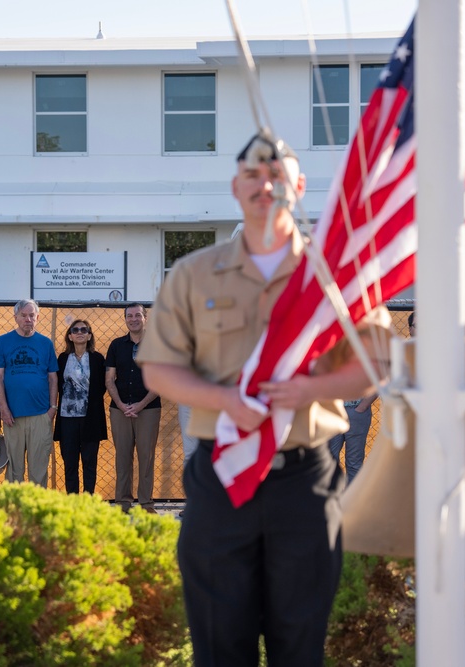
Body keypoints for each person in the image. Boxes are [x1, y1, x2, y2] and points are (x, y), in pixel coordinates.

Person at [138, 133, 383, 667]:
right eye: (252, 173)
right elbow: (158, 367)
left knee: (300, 646)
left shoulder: (336, 274)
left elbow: (376, 364)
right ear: (235, 186)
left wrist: (310, 391)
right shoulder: (193, 274)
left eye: (276, 173)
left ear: (298, 186)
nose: (263, 183)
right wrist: (224, 398)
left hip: (305, 481)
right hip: (221, 479)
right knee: (220, 645)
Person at [0, 299, 59, 486]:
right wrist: (4, 409)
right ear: (16, 318)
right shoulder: (3, 341)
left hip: (41, 414)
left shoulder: (45, 343)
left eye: (32, 315)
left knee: (38, 468)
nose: (28, 319)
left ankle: (36, 511)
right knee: (14, 468)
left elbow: (53, 378)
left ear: (37, 317)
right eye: (23, 315)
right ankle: (14, 511)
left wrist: (52, 409)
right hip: (12, 415)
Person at [105, 303, 161, 512]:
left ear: (145, 318)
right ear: (125, 319)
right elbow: (110, 379)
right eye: (130, 316)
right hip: (120, 410)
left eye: (138, 315)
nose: (133, 319)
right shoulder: (116, 345)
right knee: (123, 457)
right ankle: (123, 503)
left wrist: (140, 404)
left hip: (149, 409)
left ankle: (146, 503)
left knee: (146, 457)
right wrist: (120, 404)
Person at [54, 319, 107, 494]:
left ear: (89, 335)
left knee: (89, 462)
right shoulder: (62, 359)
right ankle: (73, 501)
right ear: (69, 336)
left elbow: (102, 386)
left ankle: (88, 500)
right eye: (75, 330)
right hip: (67, 419)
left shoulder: (98, 359)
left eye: (84, 330)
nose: (79, 332)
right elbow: (56, 384)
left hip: (90, 418)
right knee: (70, 463)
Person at [327, 394, 376, 484]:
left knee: (354, 462)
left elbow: (380, 382)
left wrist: (362, 406)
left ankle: (353, 496)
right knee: (329, 458)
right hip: (333, 411)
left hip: (356, 411)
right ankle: (331, 495)